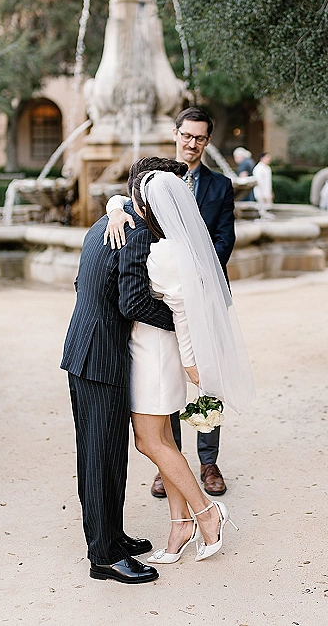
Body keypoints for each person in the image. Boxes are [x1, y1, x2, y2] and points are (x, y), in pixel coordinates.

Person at [61, 156, 186, 584]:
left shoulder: (111, 220)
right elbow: (132, 302)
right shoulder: (133, 233)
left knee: (105, 454)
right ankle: (104, 556)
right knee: (102, 457)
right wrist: (183, 321)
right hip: (101, 357)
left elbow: (85, 285)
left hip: (86, 348)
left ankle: (111, 536)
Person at [104, 106, 235, 498]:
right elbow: (125, 200)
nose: (192, 143)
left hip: (205, 294)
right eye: (186, 135)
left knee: (206, 377)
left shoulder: (220, 186)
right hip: (168, 297)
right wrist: (114, 210)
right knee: (172, 376)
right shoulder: (154, 179)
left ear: (208, 141)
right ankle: (170, 460)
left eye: (200, 138)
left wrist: (193, 275)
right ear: (175, 133)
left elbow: (224, 240)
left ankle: (209, 461)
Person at [128, 170, 255, 564]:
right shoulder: (173, 245)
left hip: (155, 354)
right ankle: (179, 524)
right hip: (151, 349)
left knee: (149, 442)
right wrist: (117, 207)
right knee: (163, 442)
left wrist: (191, 363)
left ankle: (206, 513)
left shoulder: (164, 253)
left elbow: (182, 312)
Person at [252, 152, 274, 218]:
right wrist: (264, 193)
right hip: (260, 191)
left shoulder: (267, 168)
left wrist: (269, 192)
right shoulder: (258, 168)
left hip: (267, 190)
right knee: (261, 207)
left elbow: (268, 182)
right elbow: (259, 181)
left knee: (267, 207)